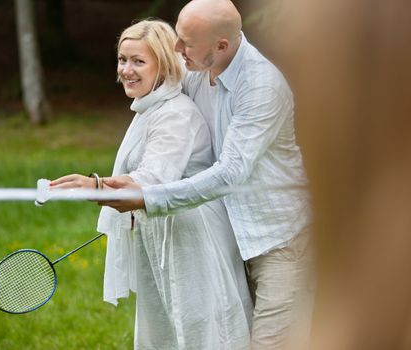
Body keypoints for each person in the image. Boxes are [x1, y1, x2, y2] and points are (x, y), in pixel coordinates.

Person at [100, 1, 313, 349]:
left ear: (221, 46)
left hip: (278, 240)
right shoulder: (197, 66)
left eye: (186, 42)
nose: (177, 49)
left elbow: (230, 173)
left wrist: (148, 197)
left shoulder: (261, 86)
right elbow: (164, 104)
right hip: (230, 237)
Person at [50, 19, 252, 349]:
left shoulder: (174, 114)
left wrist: (96, 186)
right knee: (166, 330)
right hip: (163, 230)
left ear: (163, 63)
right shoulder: (151, 107)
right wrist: (97, 186)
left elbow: (151, 181)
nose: (127, 70)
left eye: (138, 61)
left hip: (193, 236)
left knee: (199, 330)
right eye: (122, 59)